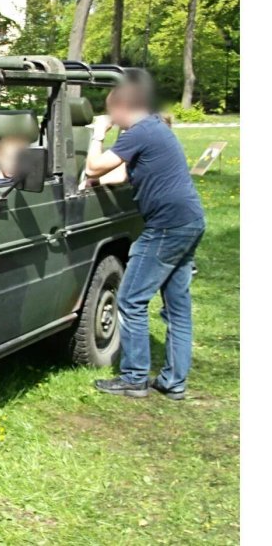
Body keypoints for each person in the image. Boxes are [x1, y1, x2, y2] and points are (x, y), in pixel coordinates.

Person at [85, 82, 205, 400]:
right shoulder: (153, 129)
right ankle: (173, 382)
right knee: (178, 308)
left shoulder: (139, 131)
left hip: (166, 227)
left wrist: (98, 133)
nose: (111, 118)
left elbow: (93, 164)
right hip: (189, 220)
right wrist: (93, 183)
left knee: (130, 300)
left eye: (113, 112)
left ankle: (134, 377)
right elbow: (122, 174)